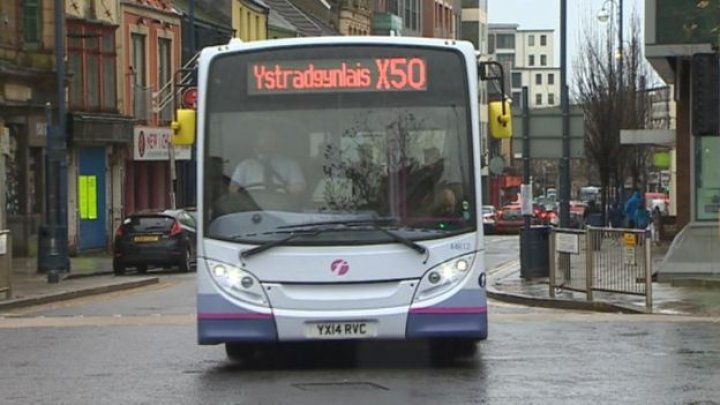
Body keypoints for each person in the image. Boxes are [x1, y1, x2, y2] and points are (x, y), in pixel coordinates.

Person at [228, 128, 306, 197]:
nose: (267, 141)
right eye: (263, 138)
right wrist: (245, 193)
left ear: (277, 141)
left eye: (271, 138)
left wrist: (290, 190)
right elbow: (233, 188)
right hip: (252, 205)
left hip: (282, 206)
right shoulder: (244, 165)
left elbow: (299, 188)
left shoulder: (290, 164)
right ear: (256, 141)